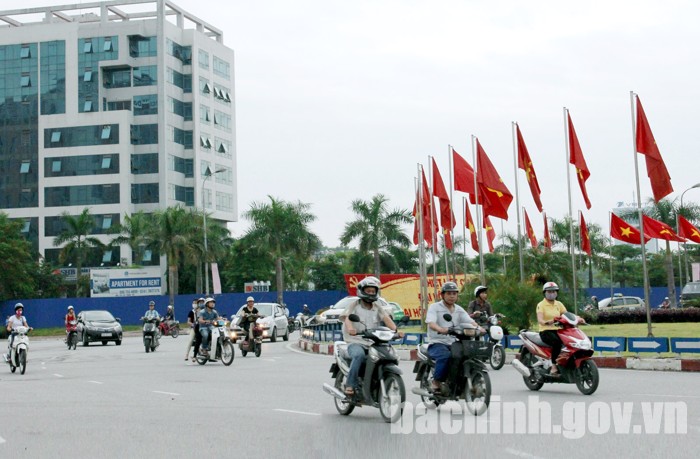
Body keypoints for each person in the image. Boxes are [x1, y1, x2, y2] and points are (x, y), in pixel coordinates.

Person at [339, 276, 403, 398]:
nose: (371, 293)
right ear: (362, 291)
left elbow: (386, 319)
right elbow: (347, 317)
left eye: (373, 291)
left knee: (388, 356)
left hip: (374, 342)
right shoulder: (354, 305)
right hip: (355, 341)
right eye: (368, 291)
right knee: (359, 356)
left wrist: (396, 330)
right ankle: (350, 384)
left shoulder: (377, 307)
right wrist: (350, 329)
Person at [426, 282, 482, 393]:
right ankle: (436, 382)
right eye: (449, 293)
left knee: (466, 356)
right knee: (445, 356)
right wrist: (441, 329)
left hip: (454, 342)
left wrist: (480, 328)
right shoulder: (434, 307)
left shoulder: (459, 309)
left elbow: (470, 321)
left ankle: (455, 382)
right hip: (437, 342)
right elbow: (431, 323)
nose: (452, 296)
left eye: (454, 293)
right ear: (442, 295)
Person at [537, 282, 569, 376]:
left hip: (558, 330)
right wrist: (547, 322)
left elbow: (566, 314)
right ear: (545, 293)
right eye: (549, 291)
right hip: (545, 331)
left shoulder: (559, 304)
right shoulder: (541, 305)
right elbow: (540, 319)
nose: (552, 293)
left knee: (569, 342)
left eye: (554, 291)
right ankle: (554, 366)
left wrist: (578, 318)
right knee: (557, 343)